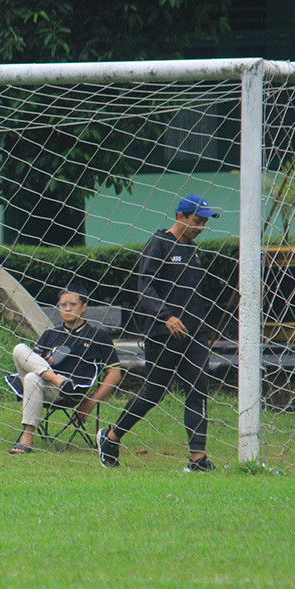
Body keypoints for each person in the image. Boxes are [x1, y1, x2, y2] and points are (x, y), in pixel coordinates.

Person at [97, 195, 219, 471]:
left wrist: (204, 327)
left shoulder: (193, 250)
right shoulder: (159, 243)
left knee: (198, 389)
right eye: (197, 221)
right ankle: (111, 436)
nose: (201, 227)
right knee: (154, 391)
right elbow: (145, 288)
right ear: (181, 217)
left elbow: (195, 295)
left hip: (194, 334)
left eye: (204, 223)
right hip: (163, 334)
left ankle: (198, 459)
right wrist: (166, 317)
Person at [10, 286, 121, 454]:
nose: (67, 308)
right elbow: (28, 361)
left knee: (32, 377)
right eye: (63, 305)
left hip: (71, 391)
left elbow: (115, 374)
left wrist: (90, 402)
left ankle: (27, 438)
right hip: (45, 384)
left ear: (84, 307)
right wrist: (44, 364)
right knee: (20, 350)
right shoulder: (50, 335)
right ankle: (56, 378)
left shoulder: (98, 336)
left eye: (72, 304)